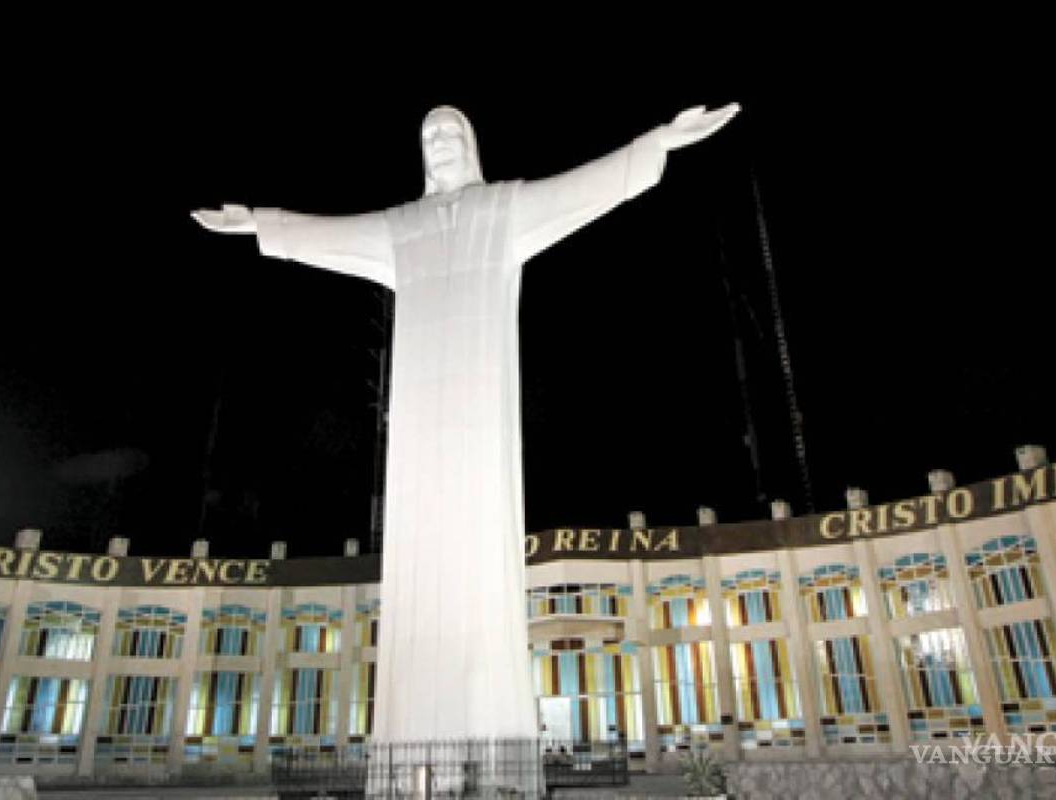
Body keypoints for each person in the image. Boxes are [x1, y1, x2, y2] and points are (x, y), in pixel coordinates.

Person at [192, 102, 739, 747]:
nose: (440, 142)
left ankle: (490, 742)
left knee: (480, 563)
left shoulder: (503, 210)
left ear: (472, 144)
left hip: (479, 425)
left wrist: (658, 142)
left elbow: (583, 187)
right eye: (429, 136)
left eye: (451, 132)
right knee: (419, 567)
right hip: (420, 433)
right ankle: (411, 748)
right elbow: (329, 234)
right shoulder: (402, 228)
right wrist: (262, 224)